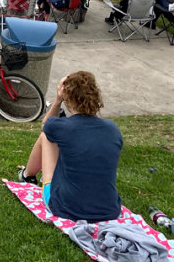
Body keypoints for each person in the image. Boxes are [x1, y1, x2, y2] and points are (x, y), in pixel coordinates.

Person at [18, 72, 122, 223]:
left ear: (67, 96)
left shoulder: (62, 127)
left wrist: (57, 101)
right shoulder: (112, 129)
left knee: (46, 137)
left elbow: (45, 126)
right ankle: (28, 175)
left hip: (65, 207)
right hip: (109, 210)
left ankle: (27, 175)